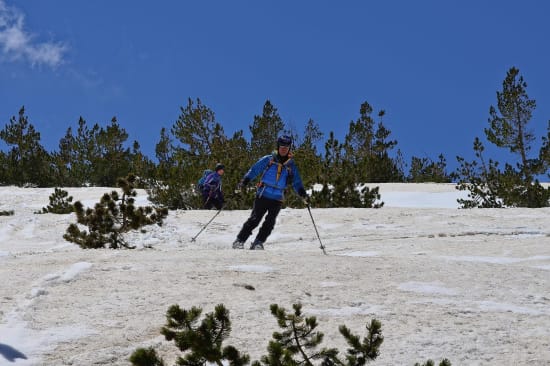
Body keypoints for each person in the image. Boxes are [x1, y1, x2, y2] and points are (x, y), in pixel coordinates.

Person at [232, 135, 309, 250]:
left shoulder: (290, 165)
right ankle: (240, 240)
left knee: (270, 222)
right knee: (255, 219)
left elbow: (296, 182)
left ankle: (258, 242)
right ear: (278, 146)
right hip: (263, 193)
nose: (283, 149)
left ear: (289, 149)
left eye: (286, 147)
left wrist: (302, 193)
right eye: (282, 146)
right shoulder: (269, 159)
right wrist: (244, 181)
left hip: (277, 197)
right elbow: (254, 170)